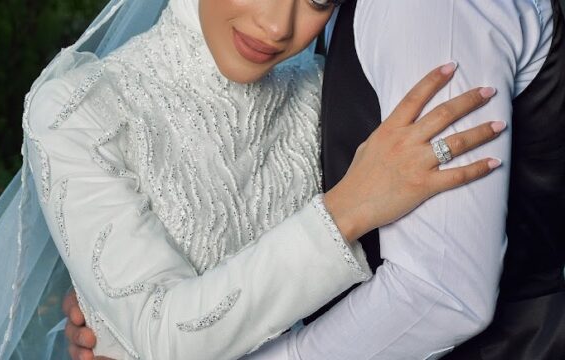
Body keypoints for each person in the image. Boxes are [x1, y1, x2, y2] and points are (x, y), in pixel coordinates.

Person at [0, 0, 504, 359]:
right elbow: (164, 339)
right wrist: (348, 208)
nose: (278, 24)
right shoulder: (80, 109)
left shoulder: (324, 95)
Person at [68, 0, 565, 359]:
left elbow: (440, 292)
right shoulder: (88, 104)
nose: (276, 25)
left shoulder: (427, 11)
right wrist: (119, 309)